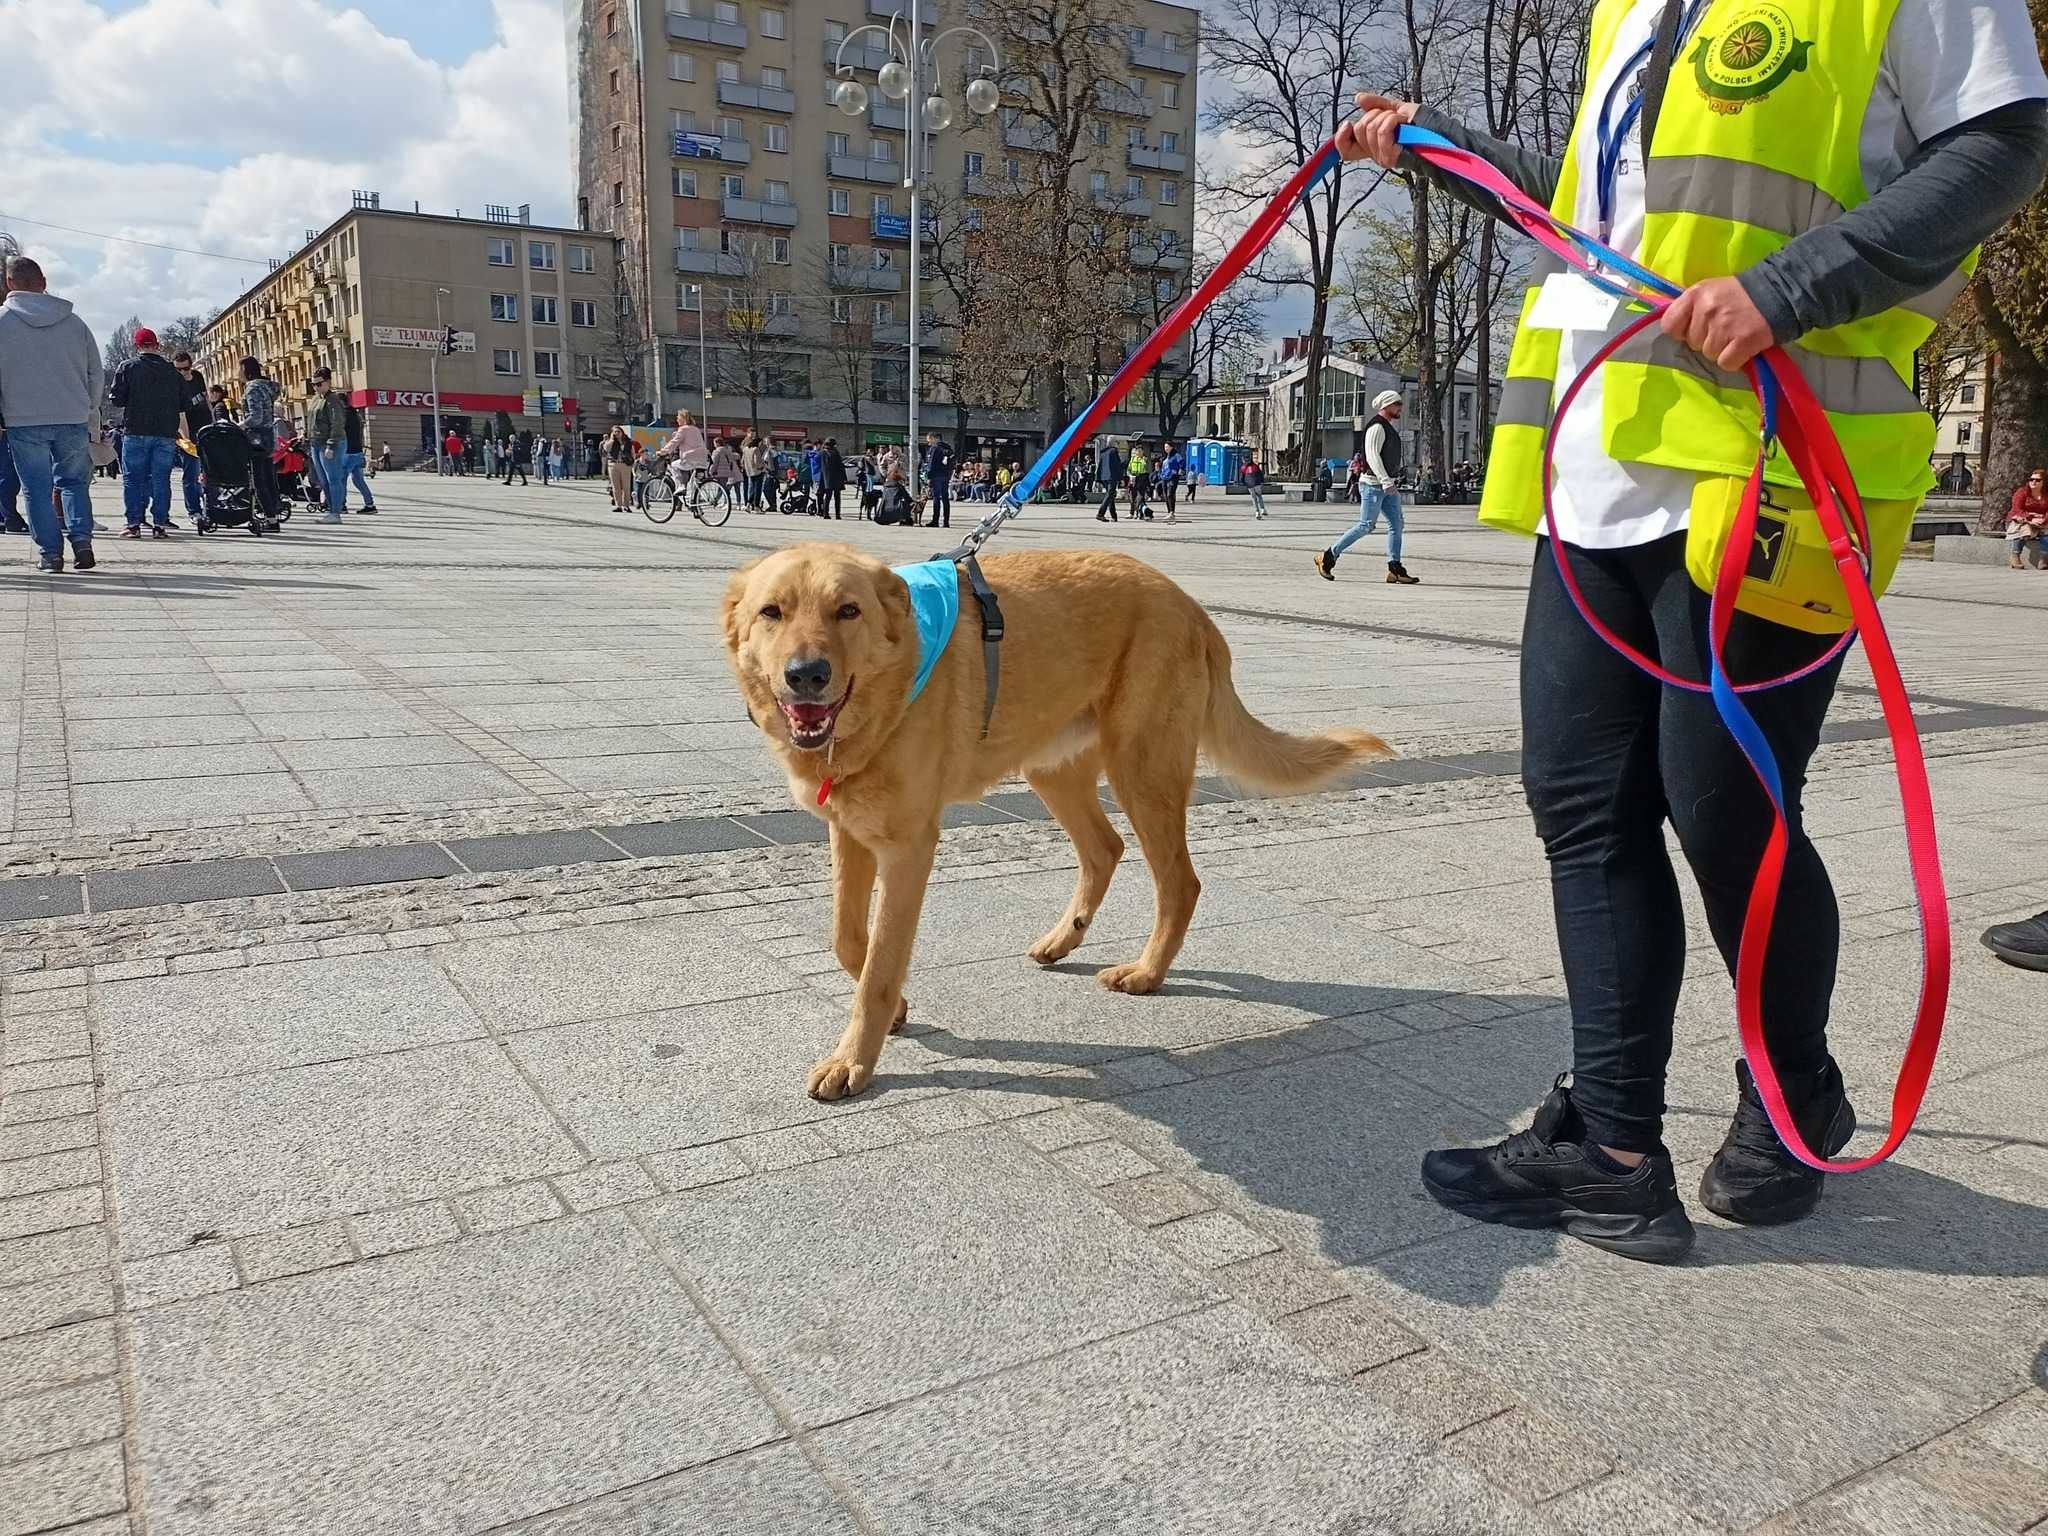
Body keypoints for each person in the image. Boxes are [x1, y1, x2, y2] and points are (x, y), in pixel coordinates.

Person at [1336, 0, 2048, 1262]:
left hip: (1774, 459)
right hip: (1595, 462)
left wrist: (1790, 288)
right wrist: (1438, 146)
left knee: (1726, 814)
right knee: (1580, 806)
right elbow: (1605, 216)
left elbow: (2002, 142)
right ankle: (1609, 1150)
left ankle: (1792, 1096)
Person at [0, 255, 101, 571]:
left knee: (36, 488)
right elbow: (95, 372)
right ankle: (82, 541)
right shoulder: (74, 322)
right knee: (72, 483)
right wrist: (88, 406)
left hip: (22, 417)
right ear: (43, 282)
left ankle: (50, 553)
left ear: (8, 284)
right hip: (71, 414)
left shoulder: (2, 321)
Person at [1316, 391, 1418, 584]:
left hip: (1387, 485)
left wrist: (1389, 482)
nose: (1400, 408)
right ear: (1386, 405)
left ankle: (1395, 568)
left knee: (1397, 525)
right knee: (1366, 526)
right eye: (1397, 404)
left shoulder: (1386, 427)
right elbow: (1372, 456)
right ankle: (1328, 556)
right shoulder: (1377, 427)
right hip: (1373, 485)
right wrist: (1385, 480)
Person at [109, 325, 185, 540]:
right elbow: (184, 403)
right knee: (161, 479)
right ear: (157, 346)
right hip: (165, 433)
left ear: (137, 346)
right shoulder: (172, 371)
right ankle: (160, 525)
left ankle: (133, 524)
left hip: (136, 430)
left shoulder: (128, 367)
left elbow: (117, 398)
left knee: (133, 479)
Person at [238, 357, 283, 525]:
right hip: (269, 436)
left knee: (259, 480)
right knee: (269, 477)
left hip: (256, 438)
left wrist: (241, 425)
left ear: (245, 370)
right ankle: (274, 515)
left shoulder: (252, 388)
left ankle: (270, 518)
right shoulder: (267, 387)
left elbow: (255, 416)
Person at [171, 351, 212, 525]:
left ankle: (211, 506)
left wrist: (214, 423)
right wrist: (186, 440)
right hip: (187, 432)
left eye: (185, 369)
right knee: (192, 474)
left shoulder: (197, 377)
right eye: (178, 370)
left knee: (209, 472)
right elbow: (180, 416)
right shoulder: (173, 384)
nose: (182, 373)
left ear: (191, 366)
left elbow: (207, 400)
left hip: (205, 429)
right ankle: (194, 510)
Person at [307, 369, 348, 524]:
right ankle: (331, 510)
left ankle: (336, 512)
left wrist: (331, 445)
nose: (316, 387)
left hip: (330, 443)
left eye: (319, 384)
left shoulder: (333, 400)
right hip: (315, 443)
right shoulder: (315, 399)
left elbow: (337, 424)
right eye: (314, 384)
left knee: (333, 479)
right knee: (323, 480)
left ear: (328, 382)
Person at [2004, 468, 2047, 569]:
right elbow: (2017, 509)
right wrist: (2031, 518)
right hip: (2020, 520)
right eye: (2031, 479)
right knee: (2025, 530)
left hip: (2041, 521)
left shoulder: (2046, 495)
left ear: (2044, 482)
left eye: (2037, 480)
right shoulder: (2022, 492)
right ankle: (2015, 556)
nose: (2033, 482)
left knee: (2046, 533)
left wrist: (2043, 520)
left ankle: (2044, 559)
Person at [662, 409, 709, 499]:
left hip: (690, 458)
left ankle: (681, 486)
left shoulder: (683, 429)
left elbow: (674, 443)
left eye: (678, 417)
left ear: (683, 418)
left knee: (674, 465)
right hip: (702, 458)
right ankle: (695, 504)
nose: (677, 419)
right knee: (695, 483)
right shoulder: (696, 429)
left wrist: (663, 451)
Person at [342, 399, 376, 514]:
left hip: (348, 452)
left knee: (342, 479)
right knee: (358, 480)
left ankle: (341, 505)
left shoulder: (343, 416)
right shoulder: (357, 415)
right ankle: (369, 504)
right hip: (358, 451)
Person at [923, 431, 953, 529]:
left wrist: (928, 477)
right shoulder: (947, 448)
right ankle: (946, 522)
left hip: (936, 476)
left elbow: (931, 465)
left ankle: (935, 520)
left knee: (936, 498)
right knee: (945, 499)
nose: (929, 443)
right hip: (945, 476)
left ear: (934, 438)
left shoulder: (934, 449)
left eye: (929, 440)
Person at [604, 426, 635, 512]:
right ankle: (619, 505)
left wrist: (633, 463)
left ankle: (626, 505)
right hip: (613, 464)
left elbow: (632, 453)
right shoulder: (611, 441)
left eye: (618, 431)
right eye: (615, 432)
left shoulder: (628, 442)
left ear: (622, 432)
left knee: (626, 486)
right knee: (616, 486)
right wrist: (612, 439)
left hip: (625, 465)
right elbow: (606, 449)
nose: (617, 433)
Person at [1096, 437, 1126, 523]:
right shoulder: (1113, 451)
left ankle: (1114, 515)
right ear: (1113, 443)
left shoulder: (1103, 452)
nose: (1117, 444)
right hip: (1111, 476)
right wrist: (1121, 478)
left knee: (1110, 495)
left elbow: (1100, 465)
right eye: (1117, 442)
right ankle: (1100, 513)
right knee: (1110, 494)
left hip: (1104, 476)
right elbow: (1117, 466)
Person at [821, 436, 847, 520]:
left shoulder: (822, 453)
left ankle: (825, 513)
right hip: (837, 477)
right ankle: (837, 514)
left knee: (828, 496)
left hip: (827, 478)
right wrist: (844, 477)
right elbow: (840, 466)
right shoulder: (835, 452)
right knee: (837, 497)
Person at [1159, 439, 1185, 524]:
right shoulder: (1165, 456)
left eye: (1167, 447)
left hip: (1172, 477)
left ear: (1171, 447)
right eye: (1165, 447)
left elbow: (1182, 462)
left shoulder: (1176, 455)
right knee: (1166, 495)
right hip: (1164, 477)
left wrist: (1181, 469)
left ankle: (1172, 512)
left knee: (1170, 494)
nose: (1165, 448)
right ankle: (1169, 512)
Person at [742, 431, 770, 509]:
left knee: (752, 488)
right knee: (757, 489)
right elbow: (757, 461)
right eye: (761, 443)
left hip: (749, 471)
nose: (761, 444)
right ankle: (756, 506)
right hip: (758, 471)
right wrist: (762, 466)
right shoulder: (756, 449)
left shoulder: (745, 449)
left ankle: (748, 504)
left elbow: (743, 460)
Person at [1126, 441, 1151, 519]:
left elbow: (1148, 469)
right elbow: (1128, 469)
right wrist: (1130, 475)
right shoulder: (1133, 459)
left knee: (1140, 497)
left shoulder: (1145, 459)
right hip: (1133, 478)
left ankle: (1139, 512)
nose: (1138, 452)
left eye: (1140, 451)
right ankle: (1132, 513)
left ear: (1143, 451)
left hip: (1142, 478)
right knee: (1131, 497)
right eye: (1137, 451)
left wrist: (1143, 460)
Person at [1243, 455, 1269, 520]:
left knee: (1254, 498)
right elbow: (1260, 474)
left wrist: (1244, 483)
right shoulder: (1255, 466)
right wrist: (1262, 481)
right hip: (1257, 484)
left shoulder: (1243, 468)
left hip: (1249, 485)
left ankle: (1257, 512)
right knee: (1259, 496)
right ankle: (1262, 509)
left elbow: (1242, 477)